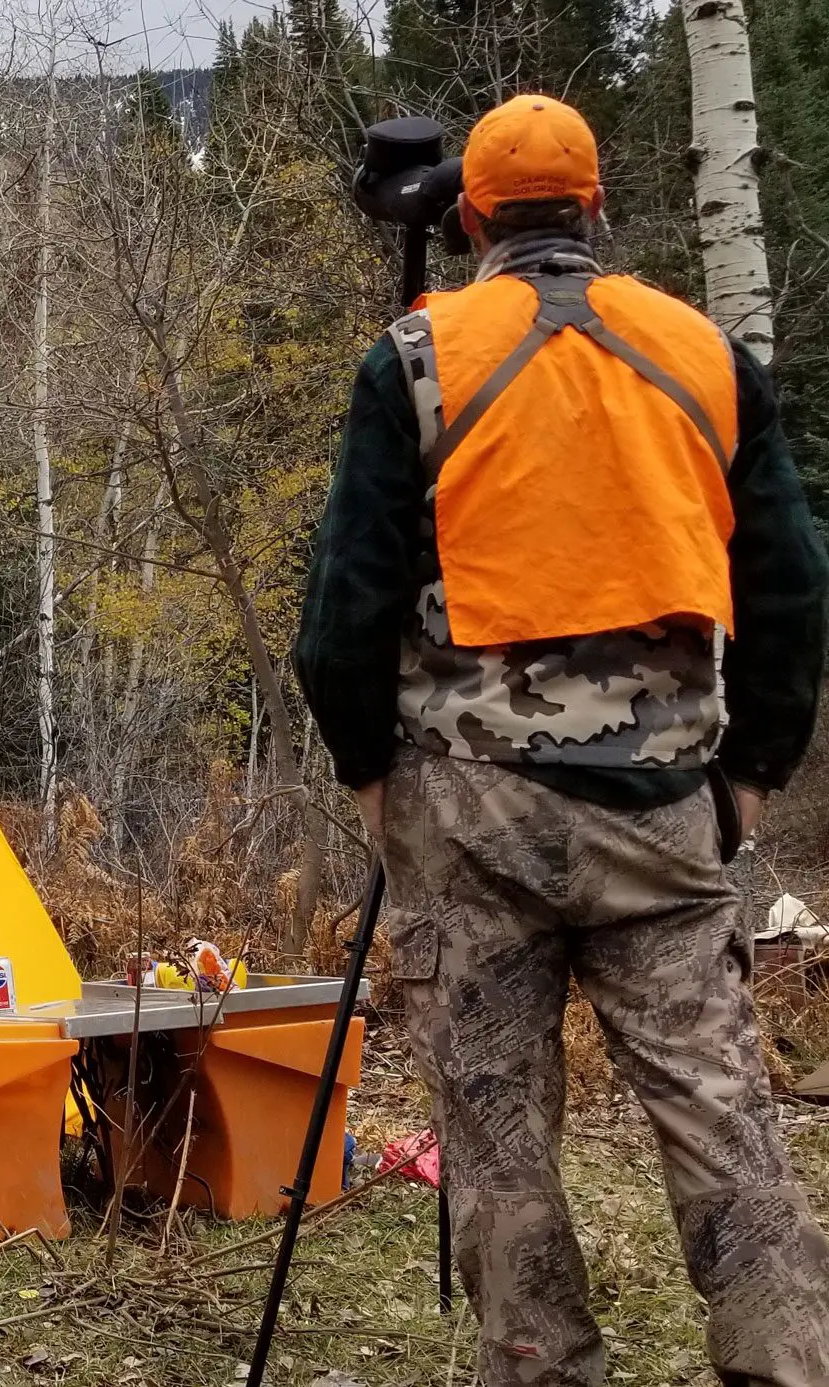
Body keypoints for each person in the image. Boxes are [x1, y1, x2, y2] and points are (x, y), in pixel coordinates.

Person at [295, 93, 829, 1386]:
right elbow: (793, 587)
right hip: (663, 809)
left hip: (470, 815)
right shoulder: (700, 355)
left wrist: (374, 775)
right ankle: (785, 1357)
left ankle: (543, 1364)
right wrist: (747, 775)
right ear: (598, 212)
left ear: (471, 217)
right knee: (718, 1110)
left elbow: (343, 616)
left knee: (494, 1128)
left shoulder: (418, 360)